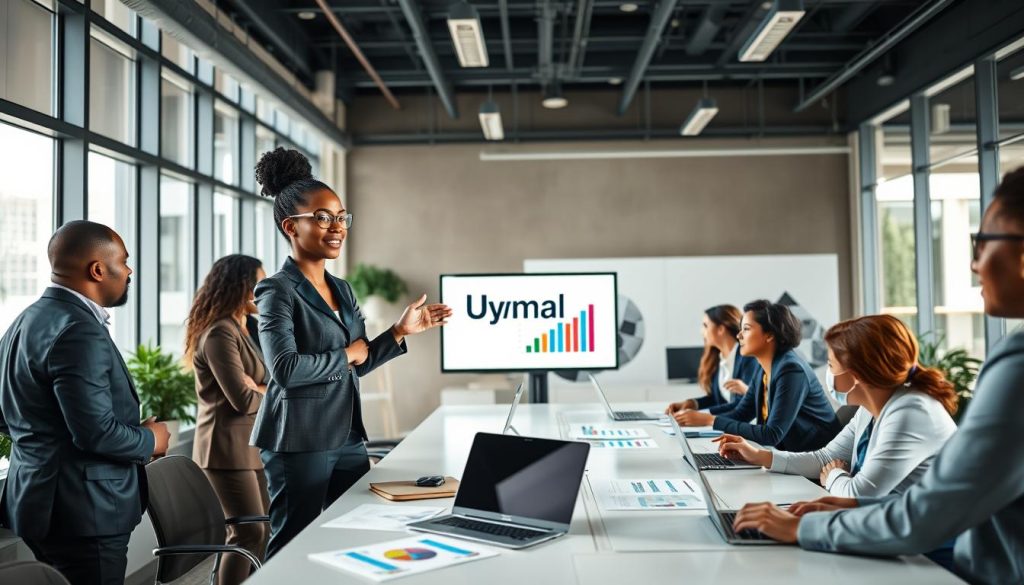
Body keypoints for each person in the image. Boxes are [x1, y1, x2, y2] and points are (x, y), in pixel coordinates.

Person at [731, 167, 1024, 585]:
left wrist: (805, 524)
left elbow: (928, 513)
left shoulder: (1009, 367)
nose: (976, 265)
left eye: (983, 242)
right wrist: (834, 501)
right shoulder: (877, 407)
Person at [251, 148, 453, 558]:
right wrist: (347, 353)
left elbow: (355, 364)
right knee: (294, 544)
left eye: (341, 217)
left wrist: (399, 331)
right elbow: (285, 370)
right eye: (323, 218)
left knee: (361, 530)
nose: (337, 227)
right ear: (291, 226)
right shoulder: (276, 290)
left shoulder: (341, 288)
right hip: (300, 438)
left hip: (347, 436)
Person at [0, 221, 170, 585]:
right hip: (84, 513)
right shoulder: (79, 330)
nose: (129, 271)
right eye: (124, 262)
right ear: (97, 269)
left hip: (36, 501)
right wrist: (150, 440)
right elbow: (95, 433)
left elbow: (6, 415)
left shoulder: (24, 322)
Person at [715, 314, 957, 498]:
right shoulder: (871, 408)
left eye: (830, 365)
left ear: (857, 375)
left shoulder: (912, 412)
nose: (827, 375)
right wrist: (761, 456)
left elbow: (859, 494)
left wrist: (833, 475)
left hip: (932, 556)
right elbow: (826, 457)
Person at [185, 254, 269, 585]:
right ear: (239, 286)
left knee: (260, 529)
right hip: (224, 449)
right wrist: (262, 389)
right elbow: (243, 398)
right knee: (248, 533)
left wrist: (261, 386)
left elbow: (263, 386)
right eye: (257, 284)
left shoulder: (240, 328)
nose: (262, 291)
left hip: (247, 445)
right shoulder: (220, 334)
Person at [675, 300, 841, 452]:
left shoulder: (791, 370)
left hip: (819, 463)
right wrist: (700, 418)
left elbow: (771, 434)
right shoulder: (763, 369)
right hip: (791, 456)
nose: (739, 335)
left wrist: (709, 420)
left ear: (769, 335)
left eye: (746, 329)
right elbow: (741, 413)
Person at [665, 305, 761, 421]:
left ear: (721, 329)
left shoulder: (747, 358)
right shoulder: (718, 358)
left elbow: (740, 405)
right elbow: (717, 400)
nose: (702, 332)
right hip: (725, 427)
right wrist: (692, 404)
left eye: (705, 326)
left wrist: (703, 416)